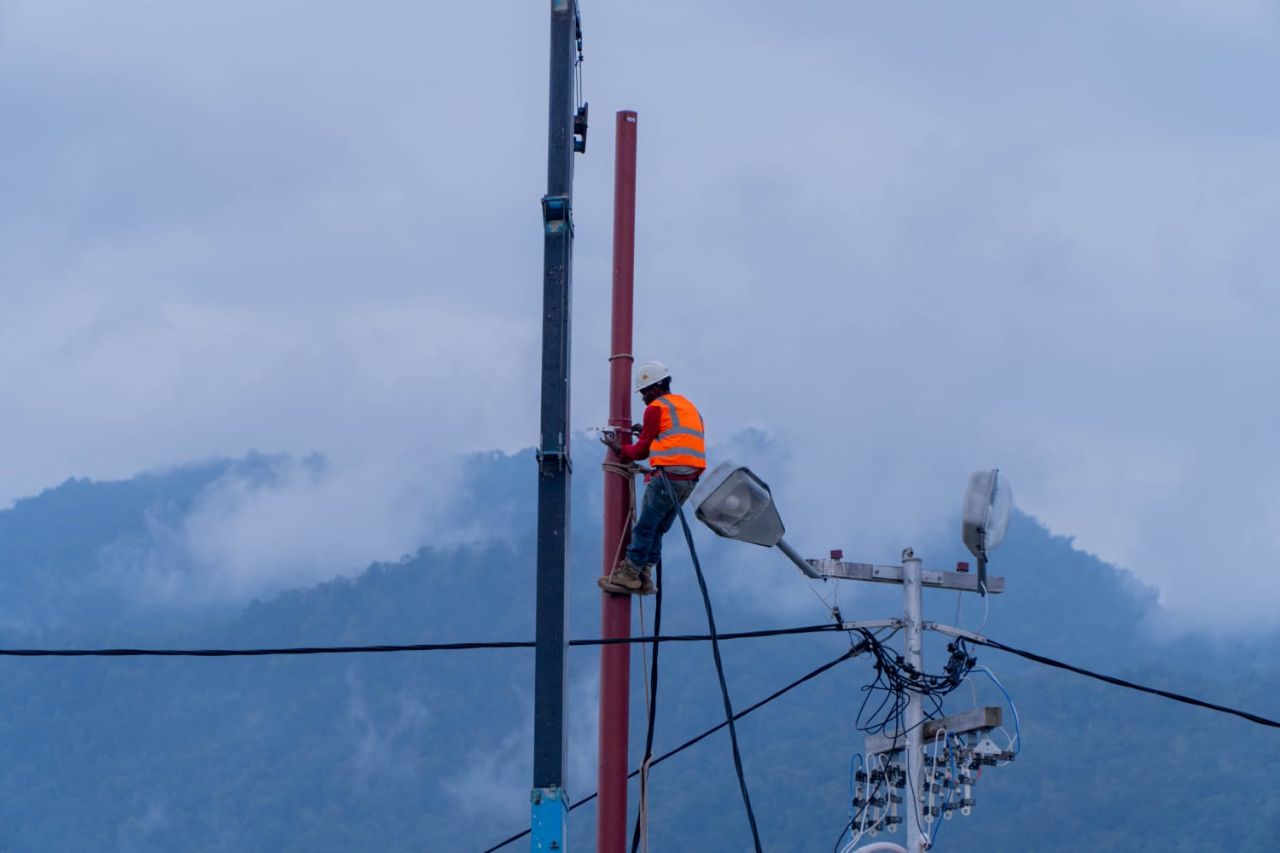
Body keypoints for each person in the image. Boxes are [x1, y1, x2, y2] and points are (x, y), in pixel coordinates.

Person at [599, 360, 706, 595]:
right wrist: (649, 431)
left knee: (645, 528)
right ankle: (644, 576)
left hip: (668, 478)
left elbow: (640, 452)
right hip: (688, 482)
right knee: (657, 529)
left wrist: (618, 448)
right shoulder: (686, 406)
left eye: (645, 392)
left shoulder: (656, 408)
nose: (643, 398)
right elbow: (676, 438)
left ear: (656, 388)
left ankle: (629, 574)